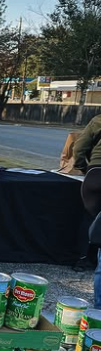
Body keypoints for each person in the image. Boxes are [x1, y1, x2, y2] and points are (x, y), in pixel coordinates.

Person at [74, 114, 101, 308]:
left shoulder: (98, 119)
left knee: (89, 219)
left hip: (95, 175)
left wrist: (83, 168)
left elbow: (79, 147)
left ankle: (83, 259)